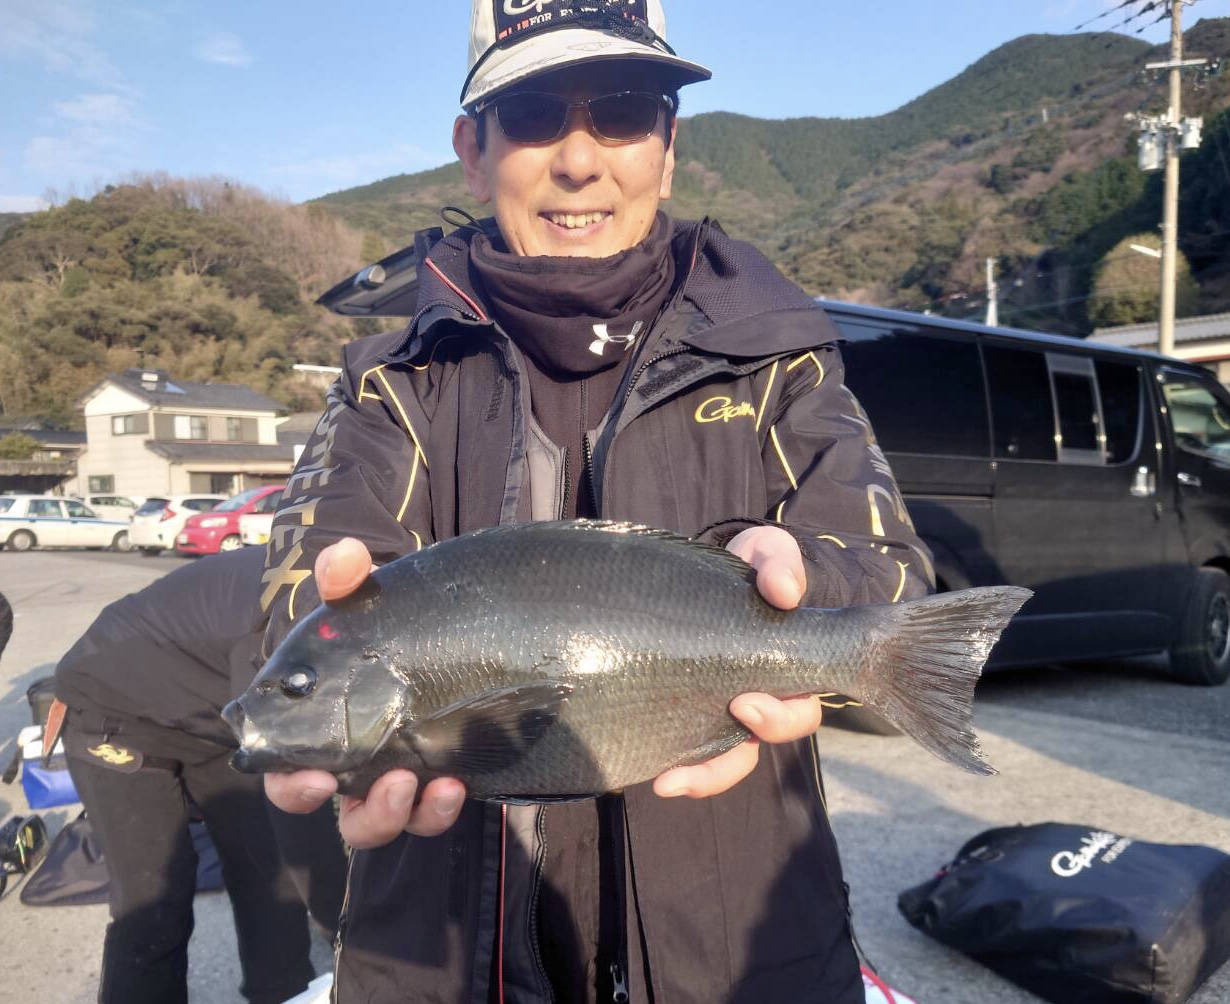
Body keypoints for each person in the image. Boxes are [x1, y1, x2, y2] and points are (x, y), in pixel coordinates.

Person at [259, 2, 934, 1000]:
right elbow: (301, 596)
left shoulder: (777, 352)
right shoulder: (391, 378)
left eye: (622, 110)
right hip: (440, 946)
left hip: (742, 942)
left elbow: (892, 573)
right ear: (474, 151)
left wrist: (800, 588)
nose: (580, 161)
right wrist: (325, 691)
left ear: (668, 145)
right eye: (533, 114)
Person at [53, 547, 347, 1004]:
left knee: (268, 872)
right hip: (113, 707)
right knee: (154, 899)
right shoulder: (283, 623)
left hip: (208, 717)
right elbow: (304, 826)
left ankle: (284, 993)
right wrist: (354, 935)